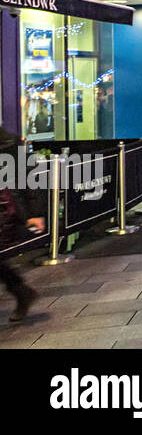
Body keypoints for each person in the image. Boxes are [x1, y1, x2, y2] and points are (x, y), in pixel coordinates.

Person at [0, 128, 43, 321]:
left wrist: (34, 214)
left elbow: (29, 177)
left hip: (5, 210)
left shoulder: (10, 142)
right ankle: (21, 291)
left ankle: (21, 291)